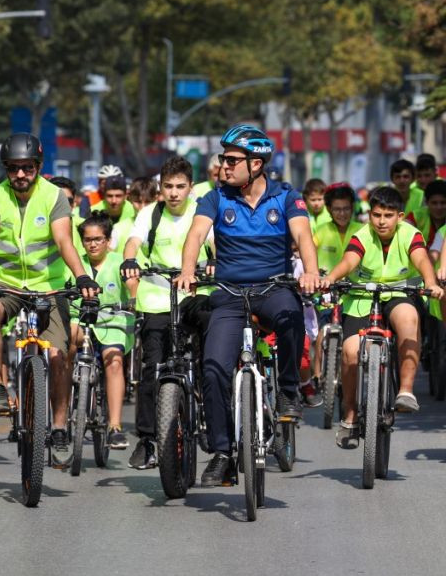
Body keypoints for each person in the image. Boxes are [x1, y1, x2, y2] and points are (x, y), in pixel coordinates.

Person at [176, 125, 321, 488]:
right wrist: (188, 271)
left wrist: (312, 272)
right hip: (227, 293)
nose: (223, 166)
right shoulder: (215, 197)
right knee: (212, 369)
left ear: (256, 164)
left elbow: (302, 235)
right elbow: (195, 234)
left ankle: (288, 392)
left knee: (292, 319)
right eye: (223, 159)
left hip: (273, 289)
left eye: (231, 160)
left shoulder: (286, 196)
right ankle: (223, 453)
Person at [0, 134, 99, 467]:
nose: (20, 174)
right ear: (6, 170)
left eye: (27, 168)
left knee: (58, 355)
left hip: (49, 286)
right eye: (13, 168)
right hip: (7, 285)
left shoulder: (54, 196)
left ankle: (57, 426)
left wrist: (82, 277)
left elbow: (63, 240)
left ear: (38, 167)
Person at [328, 186, 442, 443]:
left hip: (399, 292)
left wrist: (430, 281)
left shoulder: (410, 234)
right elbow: (349, 261)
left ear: (399, 216)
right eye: (376, 215)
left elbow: (422, 259)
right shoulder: (362, 235)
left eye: (388, 215)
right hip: (361, 297)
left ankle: (405, 391)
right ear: (370, 215)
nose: (381, 221)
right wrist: (331, 278)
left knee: (409, 320)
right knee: (350, 352)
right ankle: (350, 415)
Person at [121, 156, 210, 468]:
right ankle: (147, 439)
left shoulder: (202, 211)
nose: (174, 193)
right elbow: (133, 242)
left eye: (180, 186)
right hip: (156, 296)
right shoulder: (150, 213)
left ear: (190, 187)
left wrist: (214, 263)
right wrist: (129, 260)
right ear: (161, 187)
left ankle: (209, 411)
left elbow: (216, 244)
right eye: (168, 186)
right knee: (152, 368)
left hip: (195, 294)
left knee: (212, 351)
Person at [70, 212, 134, 455]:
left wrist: (134, 298)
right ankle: (62, 415)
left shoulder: (120, 262)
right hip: (81, 321)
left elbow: (132, 286)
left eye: (98, 239)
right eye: (88, 240)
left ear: (108, 241)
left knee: (114, 360)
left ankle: (115, 426)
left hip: (113, 321)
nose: (93, 244)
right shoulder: (75, 263)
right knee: (63, 346)